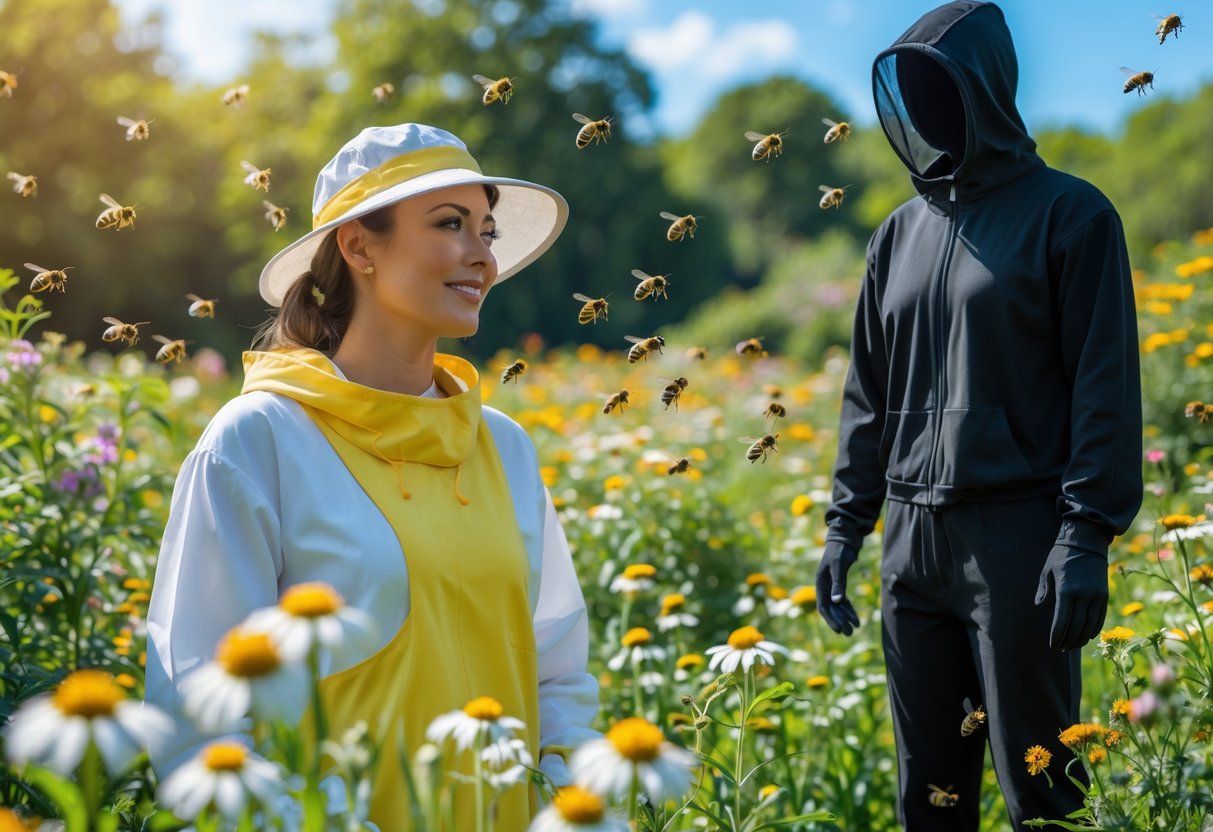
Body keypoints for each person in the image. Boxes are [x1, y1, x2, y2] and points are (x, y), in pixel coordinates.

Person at [145, 123, 601, 827]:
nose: (481, 256)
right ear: (359, 245)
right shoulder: (259, 438)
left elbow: (559, 674)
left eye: (486, 230)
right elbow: (197, 703)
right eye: (451, 225)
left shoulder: (503, 447)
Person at [815, 2, 1142, 829]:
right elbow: (868, 390)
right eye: (912, 91)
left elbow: (1104, 386)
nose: (924, 109)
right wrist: (843, 525)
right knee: (929, 793)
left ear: (986, 87)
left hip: (1017, 541)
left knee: (1042, 792)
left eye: (940, 87)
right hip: (908, 547)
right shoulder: (895, 235)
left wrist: (1085, 535)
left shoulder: (1071, 216)